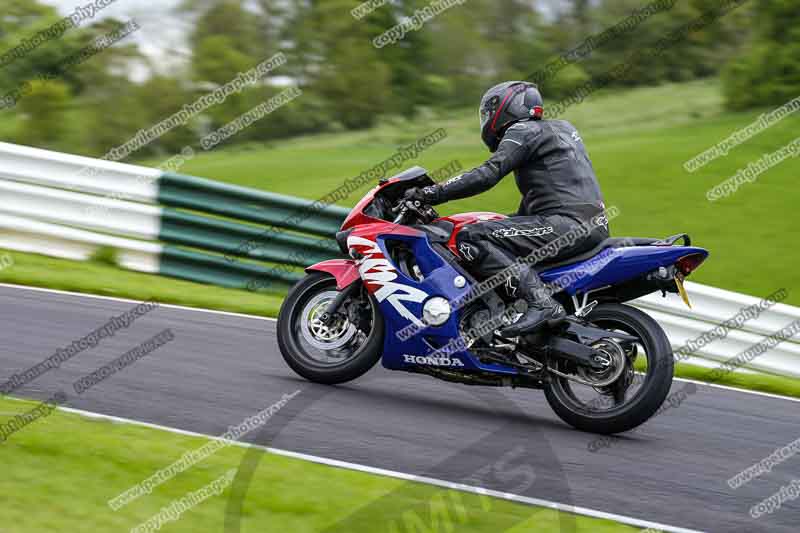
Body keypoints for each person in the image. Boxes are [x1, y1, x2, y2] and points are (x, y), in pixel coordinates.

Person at [405, 81, 609, 336]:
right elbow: (548, 193)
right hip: (588, 224)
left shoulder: (522, 131)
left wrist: (431, 193)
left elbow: (487, 174)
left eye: (487, 112)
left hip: (566, 224)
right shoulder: (563, 129)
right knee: (496, 232)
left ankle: (542, 303)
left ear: (505, 107)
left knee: (472, 235)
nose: (486, 119)